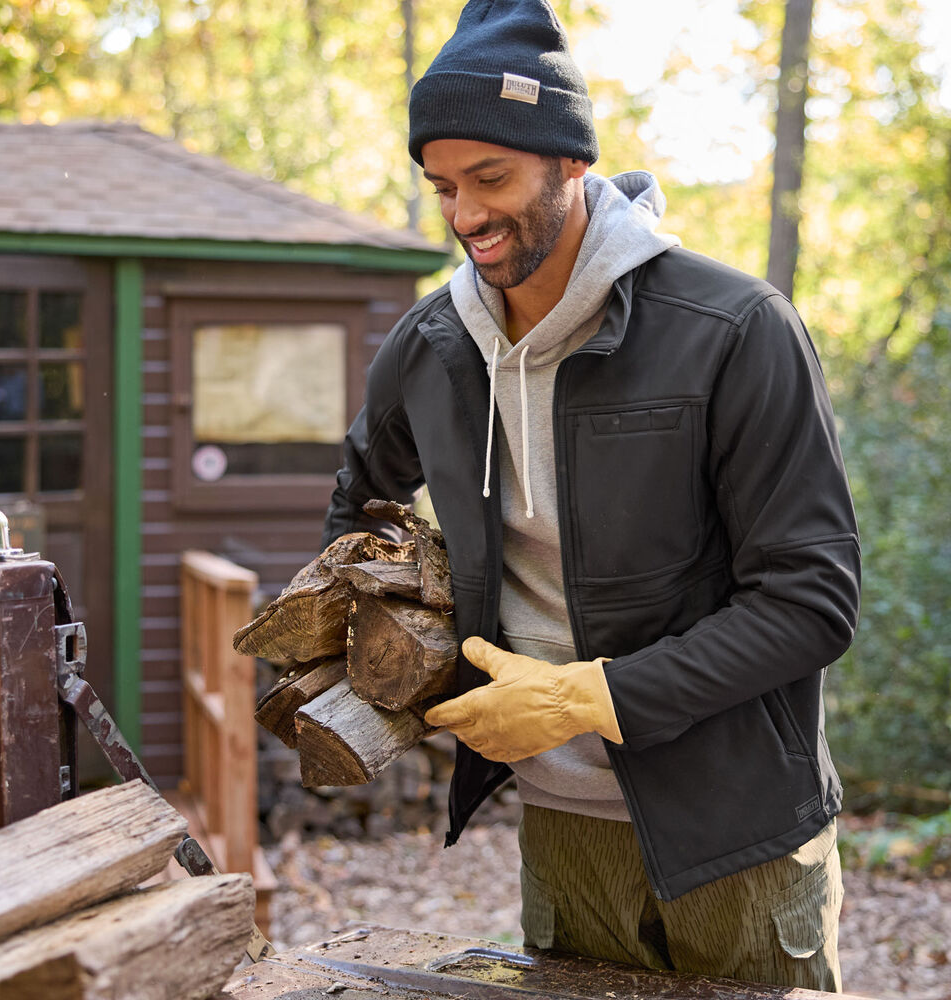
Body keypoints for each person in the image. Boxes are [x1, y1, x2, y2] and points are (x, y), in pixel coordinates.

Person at [320, 0, 860, 990]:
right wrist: (397, 654)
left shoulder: (735, 328)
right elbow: (356, 512)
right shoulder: (432, 347)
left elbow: (811, 602)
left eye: (491, 178)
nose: (464, 214)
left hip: (737, 833)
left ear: (572, 164)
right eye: (442, 185)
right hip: (560, 831)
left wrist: (579, 695)